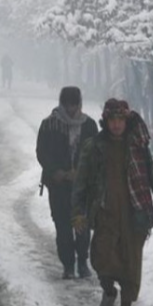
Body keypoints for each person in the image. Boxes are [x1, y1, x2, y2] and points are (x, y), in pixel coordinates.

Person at [71, 98, 153, 306]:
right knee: (101, 257)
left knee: (131, 264)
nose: (116, 125)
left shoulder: (137, 146)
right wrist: (78, 213)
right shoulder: (94, 146)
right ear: (105, 121)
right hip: (105, 214)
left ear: (126, 121)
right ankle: (108, 290)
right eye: (112, 120)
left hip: (135, 214)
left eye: (120, 120)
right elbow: (81, 183)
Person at [37, 87, 98, 279]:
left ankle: (82, 261)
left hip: (83, 186)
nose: (71, 109)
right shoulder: (49, 125)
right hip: (58, 185)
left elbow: (96, 153)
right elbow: (42, 152)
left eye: (74, 104)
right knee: (63, 226)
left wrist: (82, 172)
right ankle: (68, 265)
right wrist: (56, 172)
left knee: (83, 226)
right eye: (67, 105)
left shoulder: (89, 125)